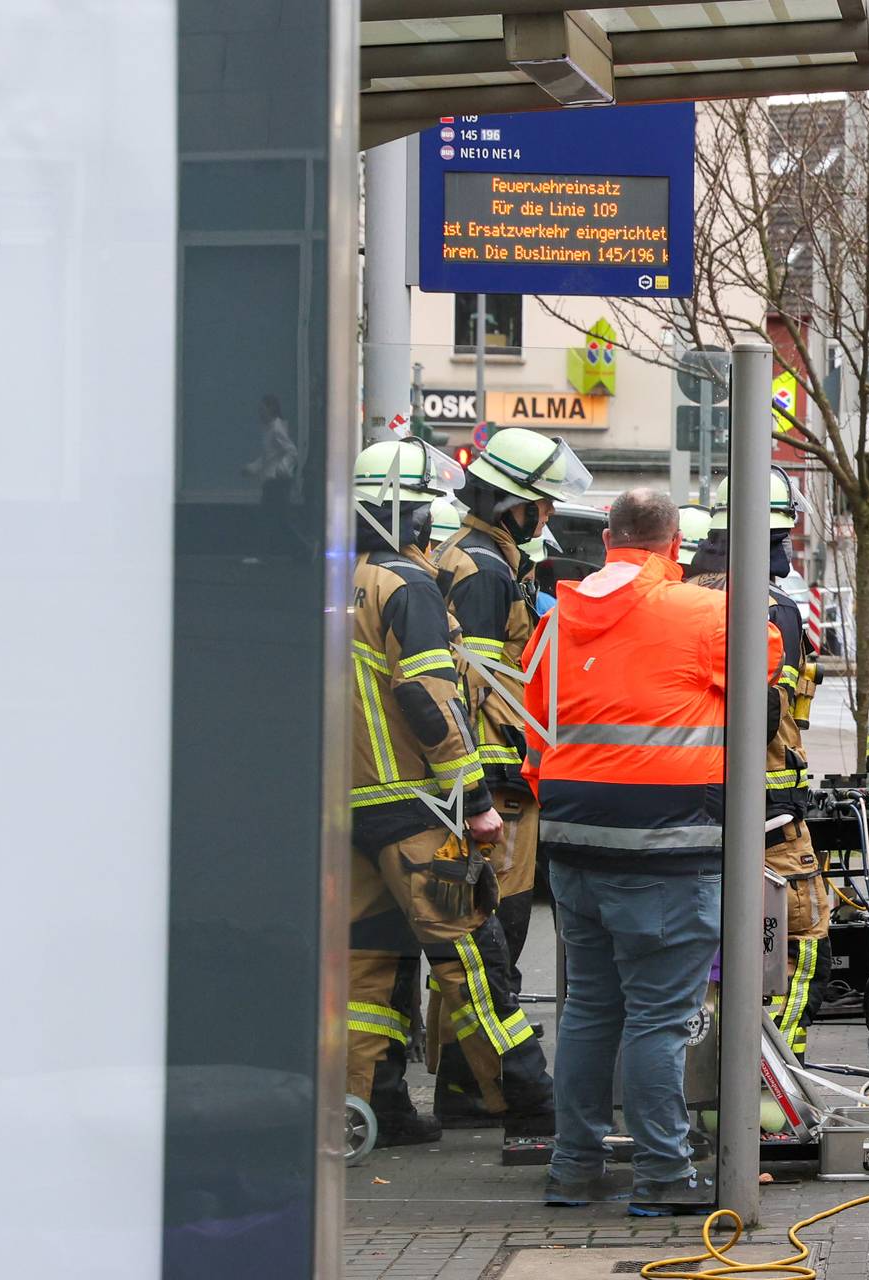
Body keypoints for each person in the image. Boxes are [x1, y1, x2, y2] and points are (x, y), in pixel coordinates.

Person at [521, 487, 777, 1215]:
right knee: (658, 1019)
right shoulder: (702, 611)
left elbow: (533, 730)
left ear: (609, 540)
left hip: (574, 846)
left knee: (591, 1010)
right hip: (669, 847)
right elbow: (763, 661)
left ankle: (572, 1168)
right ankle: (663, 1175)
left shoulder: (559, 617)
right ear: (674, 545)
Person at [342, 440, 553, 1148]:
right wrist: (476, 801)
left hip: (347, 811)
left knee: (369, 965)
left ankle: (376, 1106)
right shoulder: (407, 581)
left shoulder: (339, 582)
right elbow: (431, 699)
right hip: (416, 811)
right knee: (474, 958)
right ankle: (528, 1102)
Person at [426, 427, 590, 1125]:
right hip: (498, 788)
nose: (546, 516)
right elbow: (483, 685)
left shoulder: (475, 557)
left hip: (484, 780)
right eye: (540, 505)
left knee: (483, 941)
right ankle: (477, 1090)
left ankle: (466, 1086)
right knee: (499, 935)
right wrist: (507, 776)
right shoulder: (486, 570)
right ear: (510, 504)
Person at [678, 471, 832, 1055]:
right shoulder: (774, 608)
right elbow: (770, 717)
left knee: (705, 948)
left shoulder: (678, 595)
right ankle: (774, 1072)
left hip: (687, 803)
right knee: (803, 934)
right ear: (778, 533)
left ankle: (708, 1069)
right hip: (767, 814)